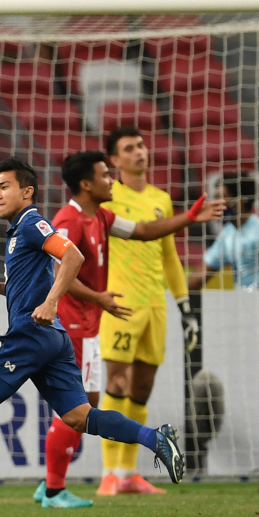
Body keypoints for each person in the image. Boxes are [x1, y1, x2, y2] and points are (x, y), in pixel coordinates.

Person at [0, 156, 185, 517]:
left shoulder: (33, 223)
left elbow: (73, 255)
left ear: (27, 191)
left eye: (4, 187)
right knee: (79, 416)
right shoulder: (20, 230)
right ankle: (155, 438)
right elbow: (29, 286)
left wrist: (52, 302)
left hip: (31, 333)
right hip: (53, 337)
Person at [34, 151, 224, 509]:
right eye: (106, 175)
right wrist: (99, 298)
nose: (112, 180)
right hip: (72, 325)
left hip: (88, 325)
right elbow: (57, 274)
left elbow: (144, 231)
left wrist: (188, 218)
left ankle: (56, 486)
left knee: (83, 407)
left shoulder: (102, 216)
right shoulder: (69, 221)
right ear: (87, 184)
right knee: (76, 410)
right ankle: (54, 488)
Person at [97, 125, 199, 496]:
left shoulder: (161, 199)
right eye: (130, 148)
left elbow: (170, 257)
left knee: (141, 389)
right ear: (114, 159)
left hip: (156, 305)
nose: (140, 152)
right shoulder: (108, 197)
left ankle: (128, 473)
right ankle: (109, 472)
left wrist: (184, 306)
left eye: (141, 145)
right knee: (117, 383)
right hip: (120, 303)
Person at [187, 172, 259, 290]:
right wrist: (180, 294)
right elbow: (204, 271)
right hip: (245, 303)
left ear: (239, 201)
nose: (215, 203)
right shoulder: (229, 232)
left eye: (220, 197)